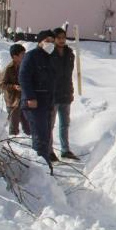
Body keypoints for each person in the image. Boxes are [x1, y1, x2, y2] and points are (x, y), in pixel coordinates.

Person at [19, 30, 57, 169]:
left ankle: (46, 168)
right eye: (47, 41)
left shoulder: (50, 58)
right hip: (34, 103)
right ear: (40, 42)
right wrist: (30, 97)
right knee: (39, 138)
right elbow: (23, 77)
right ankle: (41, 171)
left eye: (52, 41)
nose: (50, 44)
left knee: (46, 137)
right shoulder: (31, 56)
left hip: (47, 103)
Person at [49, 27, 78, 161]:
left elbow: (69, 75)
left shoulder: (69, 53)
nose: (61, 40)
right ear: (54, 39)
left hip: (66, 93)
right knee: (50, 124)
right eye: (59, 38)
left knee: (65, 124)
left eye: (63, 38)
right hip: (53, 94)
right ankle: (49, 150)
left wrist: (71, 91)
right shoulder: (49, 53)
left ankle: (65, 150)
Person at [0, 44, 30, 135]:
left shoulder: (25, 67)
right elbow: (1, 84)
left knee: (28, 123)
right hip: (13, 101)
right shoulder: (8, 69)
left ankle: (29, 140)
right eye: (22, 55)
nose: (24, 56)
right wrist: (13, 87)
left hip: (24, 99)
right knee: (14, 125)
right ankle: (14, 143)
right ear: (15, 57)